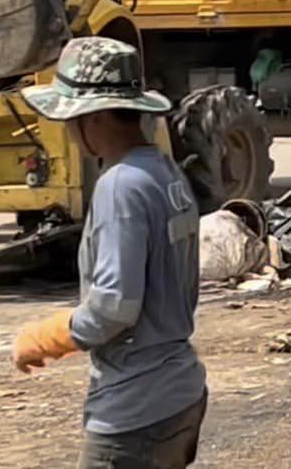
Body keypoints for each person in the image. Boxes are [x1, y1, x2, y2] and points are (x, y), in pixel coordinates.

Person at [11, 37, 208, 469]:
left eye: (70, 119)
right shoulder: (164, 173)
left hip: (136, 408)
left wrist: (47, 336)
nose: (68, 131)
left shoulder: (120, 185)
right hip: (181, 391)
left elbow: (115, 307)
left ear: (93, 117)